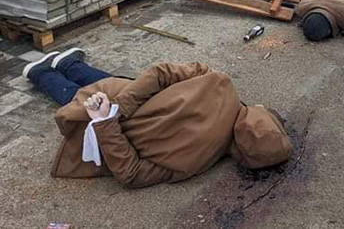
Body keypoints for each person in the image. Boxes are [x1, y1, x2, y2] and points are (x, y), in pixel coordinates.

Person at [22, 48, 292, 188]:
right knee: (94, 100)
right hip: (106, 132)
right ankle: (56, 68)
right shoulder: (198, 162)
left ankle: (50, 70)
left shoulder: (220, 82)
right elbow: (132, 174)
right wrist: (107, 119)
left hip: (105, 116)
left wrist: (116, 110)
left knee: (108, 91)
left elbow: (160, 73)